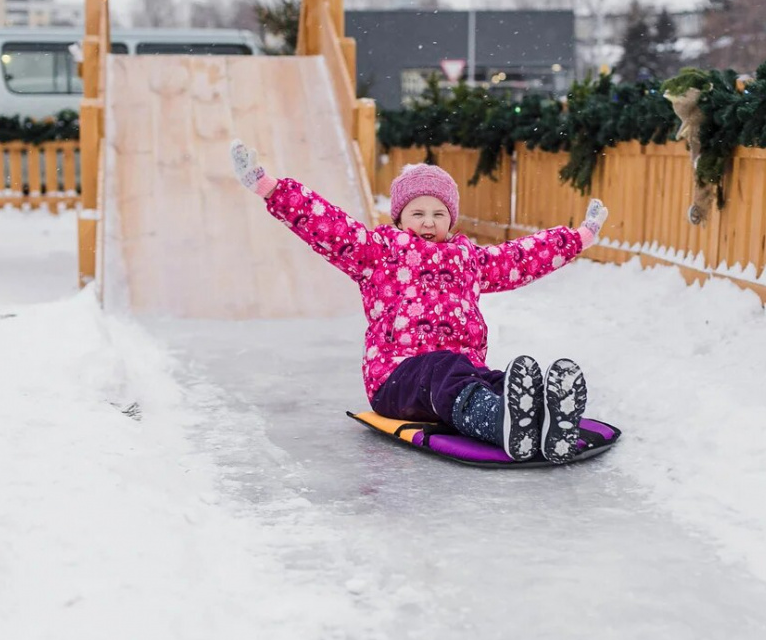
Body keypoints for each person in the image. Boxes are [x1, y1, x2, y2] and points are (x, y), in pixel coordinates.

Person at [230, 140, 608, 463]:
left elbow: (521, 257)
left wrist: (578, 238)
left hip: (459, 372)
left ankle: (544, 417)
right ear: (399, 217)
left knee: (491, 378)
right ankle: (503, 423)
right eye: (418, 213)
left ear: (452, 219)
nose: (429, 222)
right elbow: (327, 225)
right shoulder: (378, 253)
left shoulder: (469, 261)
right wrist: (270, 188)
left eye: (438, 213)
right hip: (398, 378)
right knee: (444, 369)